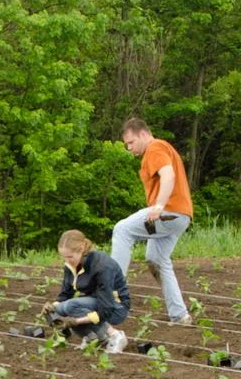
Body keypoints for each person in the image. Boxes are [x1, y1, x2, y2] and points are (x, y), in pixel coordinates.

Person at [111, 118, 194, 325]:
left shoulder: (155, 148)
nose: (129, 148)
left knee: (122, 229)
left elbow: (168, 175)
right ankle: (180, 315)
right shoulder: (163, 148)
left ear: (142, 134)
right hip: (181, 216)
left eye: (130, 143)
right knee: (157, 259)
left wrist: (158, 206)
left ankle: (112, 289)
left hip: (169, 211)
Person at [49, 229, 131, 352]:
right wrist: (51, 307)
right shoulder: (71, 265)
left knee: (71, 306)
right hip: (96, 300)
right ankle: (94, 338)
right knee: (60, 308)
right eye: (64, 257)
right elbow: (65, 294)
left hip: (115, 306)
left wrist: (76, 321)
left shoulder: (102, 266)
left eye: (70, 257)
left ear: (81, 249)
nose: (67, 261)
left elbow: (106, 309)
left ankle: (116, 335)